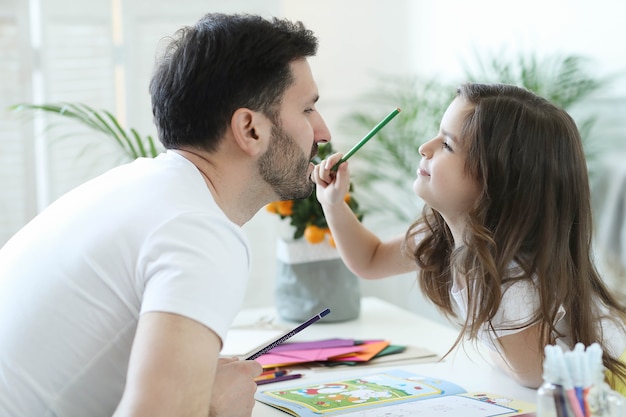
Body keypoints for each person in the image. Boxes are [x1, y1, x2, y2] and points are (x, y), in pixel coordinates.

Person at [0, 12, 331, 417]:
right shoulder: (198, 231)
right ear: (250, 129)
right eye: (308, 110)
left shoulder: (139, 188)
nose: (323, 132)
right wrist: (212, 408)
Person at [312, 82, 626, 393]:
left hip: (612, 383)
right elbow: (371, 260)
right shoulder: (440, 233)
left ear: (496, 180)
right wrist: (333, 203)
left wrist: (491, 350)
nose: (425, 147)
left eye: (447, 145)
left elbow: (533, 375)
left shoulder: (512, 281)